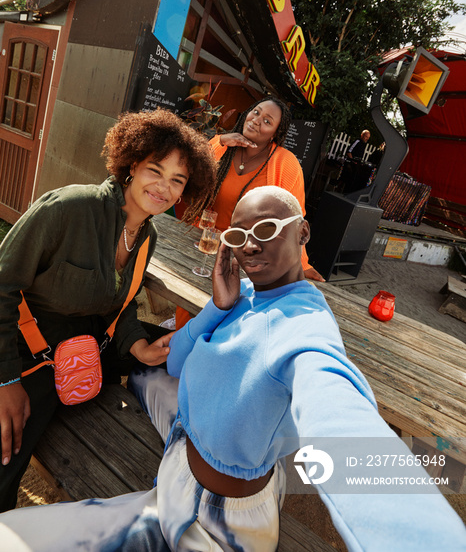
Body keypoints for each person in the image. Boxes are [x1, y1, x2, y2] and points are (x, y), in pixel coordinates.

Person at [1, 186, 465, 551]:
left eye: (266, 230)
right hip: (185, 447)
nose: (250, 248)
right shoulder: (245, 295)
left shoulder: (305, 330)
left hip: (211, 519)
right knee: (143, 371)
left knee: (12, 537)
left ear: (303, 233)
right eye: (238, 237)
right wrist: (216, 306)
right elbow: (179, 360)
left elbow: (340, 416)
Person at [0, 108, 217, 512]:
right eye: (155, 170)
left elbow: (122, 305)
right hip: (28, 353)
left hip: (89, 343)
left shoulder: (146, 236)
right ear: (132, 165)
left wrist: (137, 346)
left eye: (177, 180)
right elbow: (1, 285)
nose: (163, 187)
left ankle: (207, 481)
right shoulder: (68, 208)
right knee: (6, 460)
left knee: (192, 350)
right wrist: (5, 380)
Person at [173, 96, 324, 328]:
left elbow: (295, 217)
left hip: (250, 250)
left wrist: (302, 264)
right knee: (189, 304)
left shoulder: (286, 163)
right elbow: (190, 162)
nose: (256, 120)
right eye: (255, 112)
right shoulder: (227, 148)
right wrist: (221, 140)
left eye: (267, 121)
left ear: (275, 132)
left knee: (229, 318)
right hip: (207, 242)